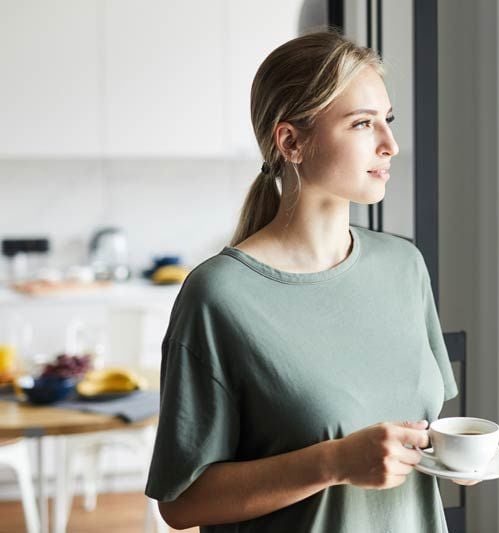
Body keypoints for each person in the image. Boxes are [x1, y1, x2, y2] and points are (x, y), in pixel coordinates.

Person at [145, 29, 477, 533]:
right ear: (292, 141)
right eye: (363, 124)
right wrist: (335, 462)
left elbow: (415, 429)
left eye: (386, 121)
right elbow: (182, 502)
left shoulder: (404, 265)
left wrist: (453, 455)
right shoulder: (219, 297)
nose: (390, 144)